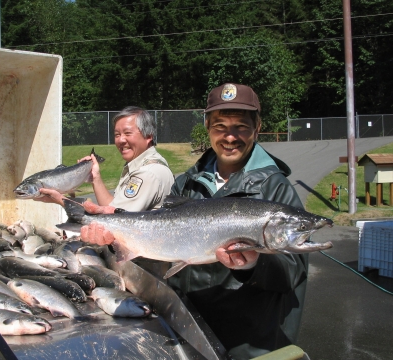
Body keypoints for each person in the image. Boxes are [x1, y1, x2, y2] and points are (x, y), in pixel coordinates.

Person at [80, 83, 308, 359]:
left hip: (248, 343)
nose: (230, 137)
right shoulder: (185, 184)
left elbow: (293, 272)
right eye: (220, 126)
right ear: (207, 127)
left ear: (257, 127)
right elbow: (159, 243)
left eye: (241, 127)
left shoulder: (276, 189)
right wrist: (116, 224)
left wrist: (253, 264)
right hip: (191, 331)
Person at [35, 106, 174, 215]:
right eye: (117, 134)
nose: (121, 140)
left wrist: (61, 199)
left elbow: (113, 221)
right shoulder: (146, 164)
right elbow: (111, 207)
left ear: (148, 136)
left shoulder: (147, 174)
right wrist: (95, 177)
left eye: (127, 133)